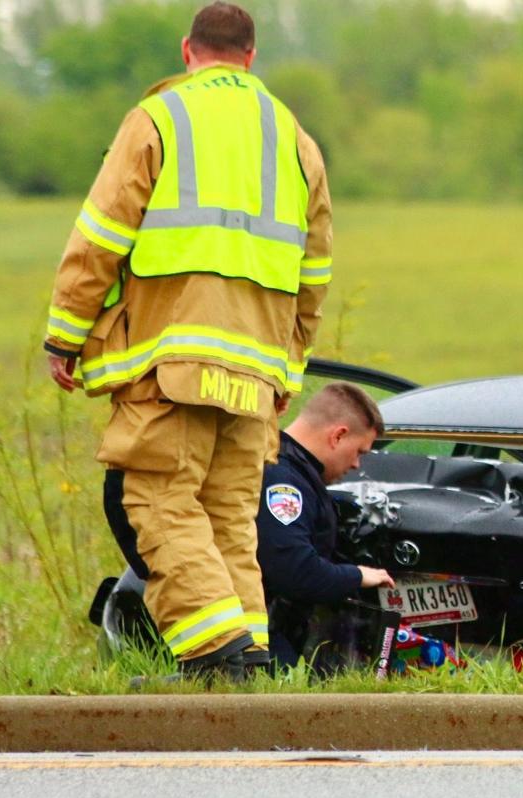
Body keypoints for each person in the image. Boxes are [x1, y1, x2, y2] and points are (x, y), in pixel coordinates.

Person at [45, 2, 333, 681]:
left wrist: (66, 332)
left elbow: (103, 234)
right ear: (251, 58)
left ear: (188, 51)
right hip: (256, 373)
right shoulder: (296, 141)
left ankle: (216, 656)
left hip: (174, 362)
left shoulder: (159, 119)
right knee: (228, 516)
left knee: (158, 498)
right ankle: (250, 660)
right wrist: (287, 367)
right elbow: (314, 273)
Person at [256, 382, 395, 668]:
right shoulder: (283, 480)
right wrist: (357, 576)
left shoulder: (294, 472)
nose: (357, 464)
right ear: (339, 436)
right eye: (359, 451)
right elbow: (294, 571)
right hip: (261, 642)